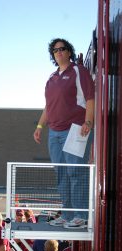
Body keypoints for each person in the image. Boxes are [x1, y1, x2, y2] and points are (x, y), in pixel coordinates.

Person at [33, 38, 95, 227]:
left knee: (76, 172)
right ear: (53, 55)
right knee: (61, 174)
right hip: (54, 132)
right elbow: (48, 106)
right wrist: (39, 126)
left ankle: (81, 215)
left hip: (76, 128)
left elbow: (91, 98)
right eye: (55, 50)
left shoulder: (78, 71)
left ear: (69, 52)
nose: (59, 52)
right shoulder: (52, 78)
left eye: (63, 49)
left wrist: (88, 121)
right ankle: (68, 216)